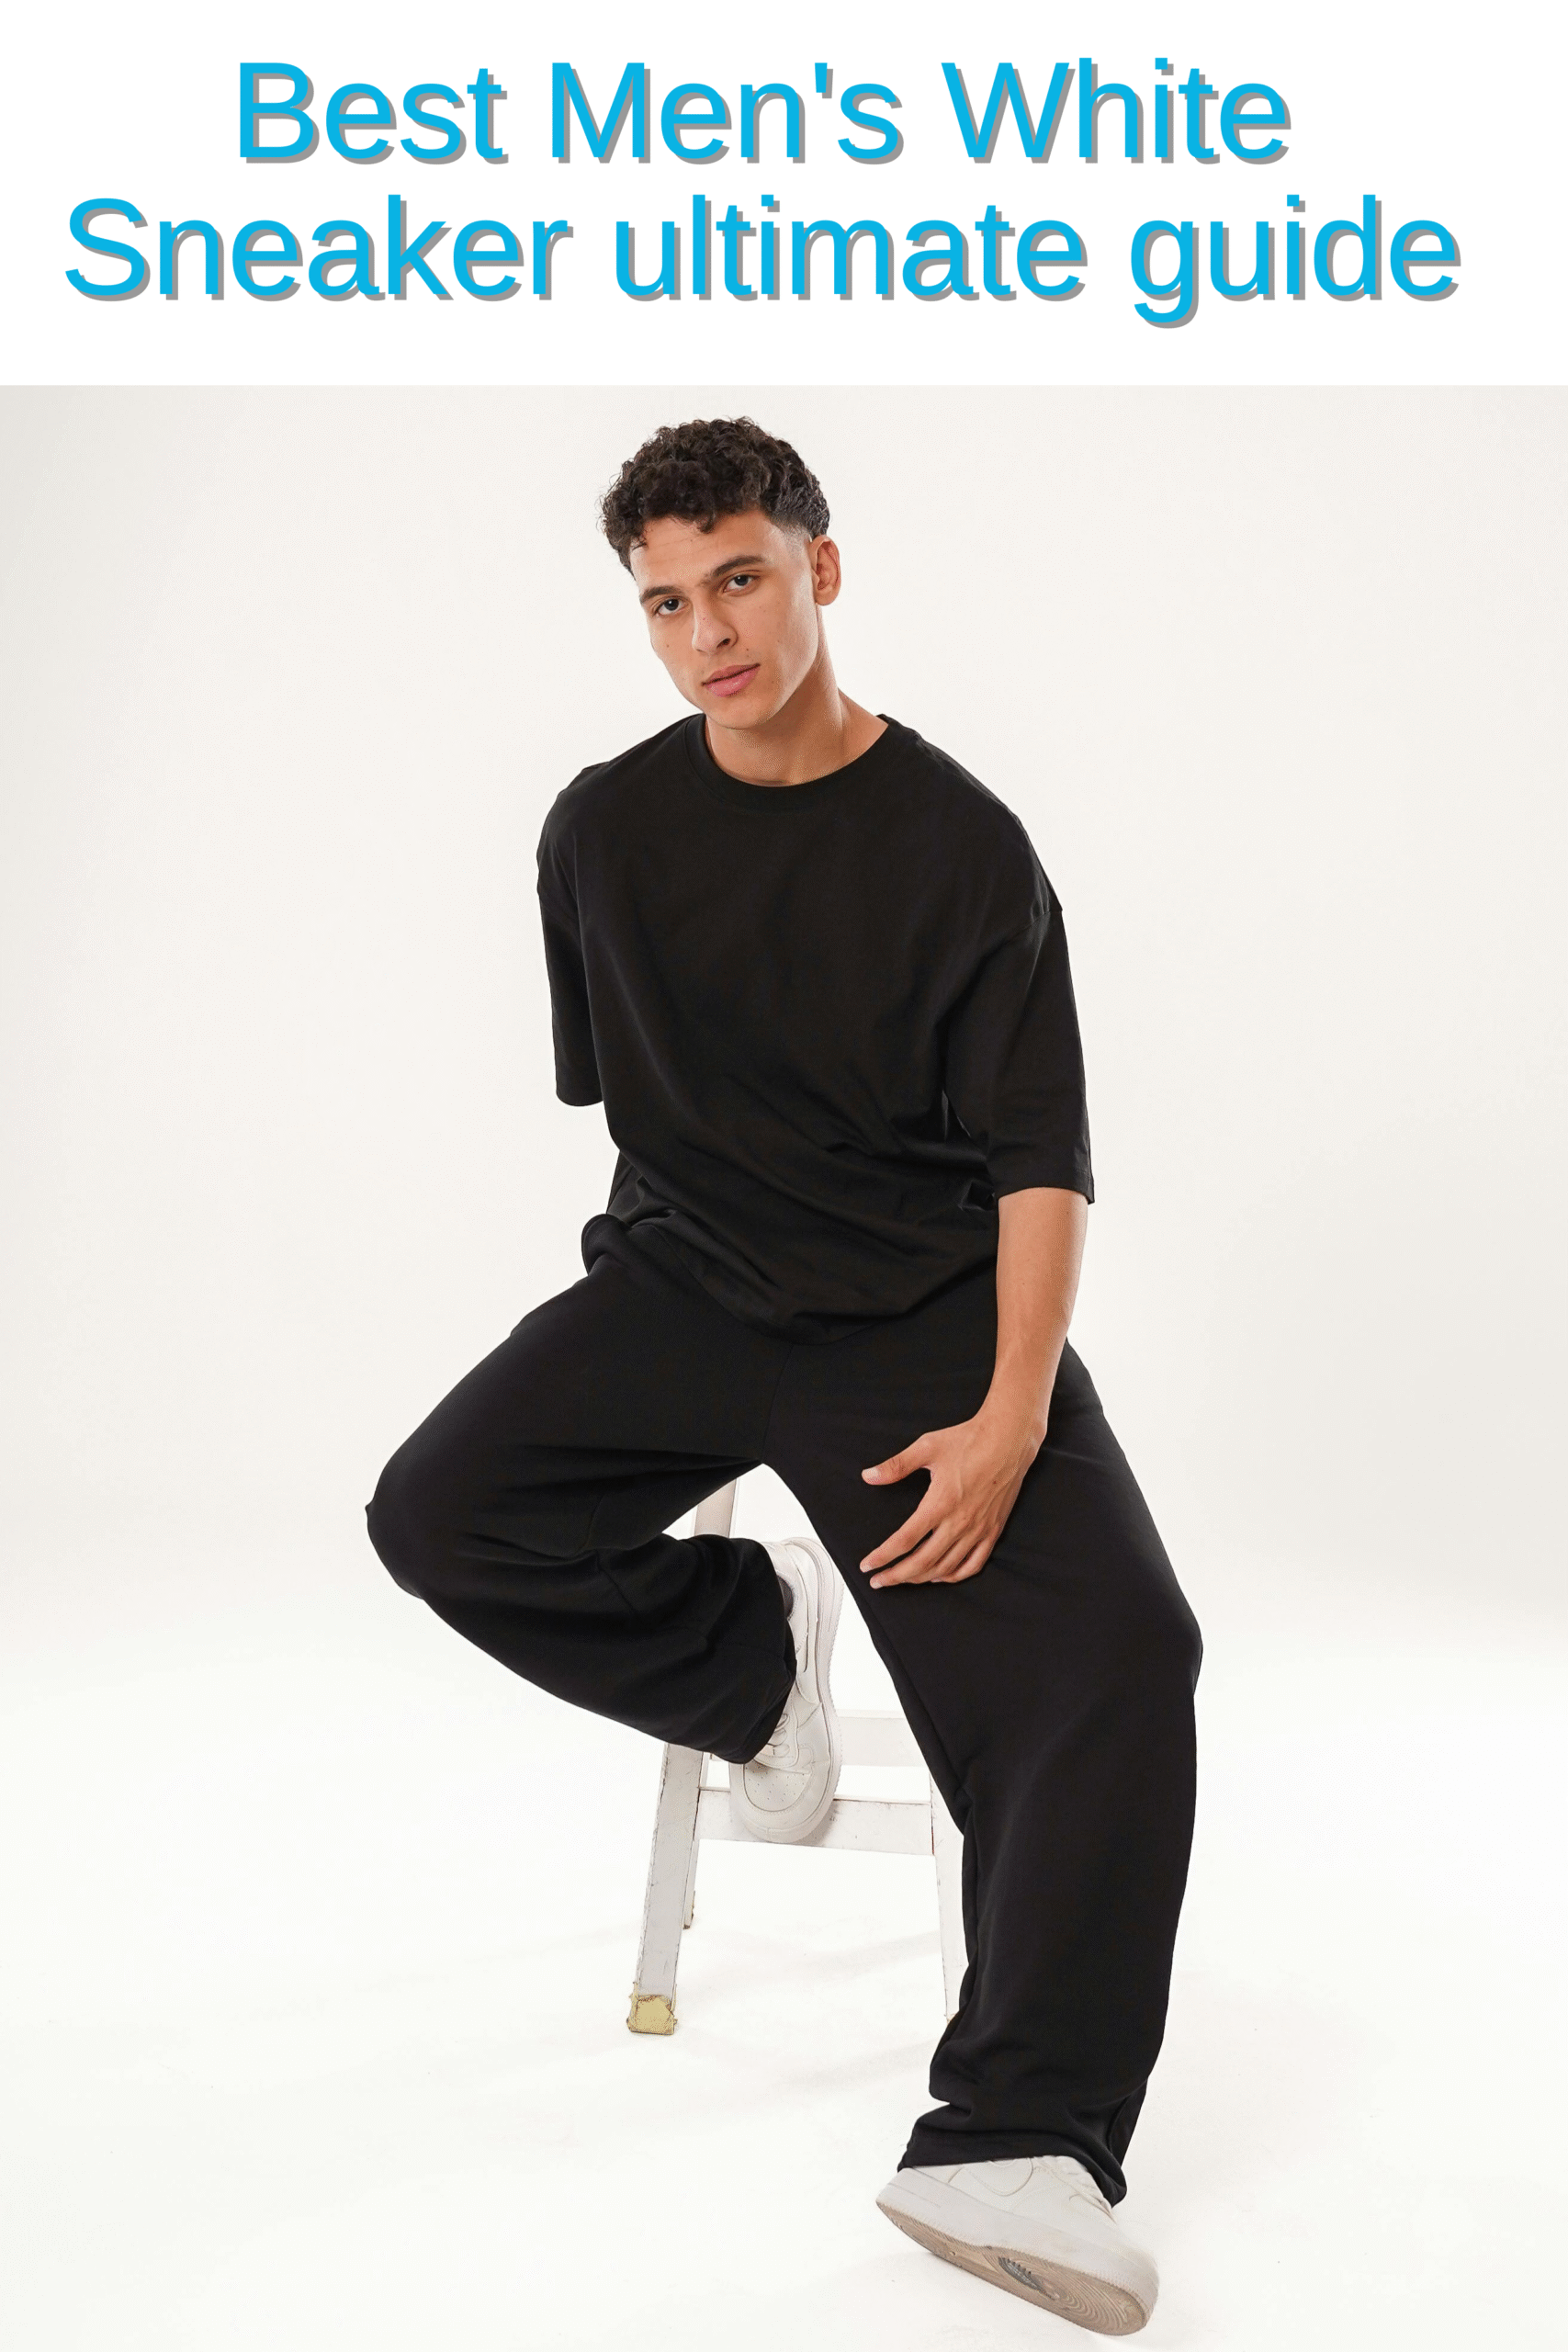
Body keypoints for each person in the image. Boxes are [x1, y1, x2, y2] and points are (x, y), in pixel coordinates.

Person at [367, 416, 1201, 2334]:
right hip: (684, 1285)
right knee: (437, 1514)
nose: (707, 634)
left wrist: (1011, 1410)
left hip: (915, 1317)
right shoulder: (599, 827)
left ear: (820, 567)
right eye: (664, 603)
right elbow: (635, 1106)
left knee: (1121, 1659)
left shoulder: (959, 842)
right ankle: (752, 1668)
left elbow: (1040, 1160)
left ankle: (1016, 2138)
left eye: (737, 579)